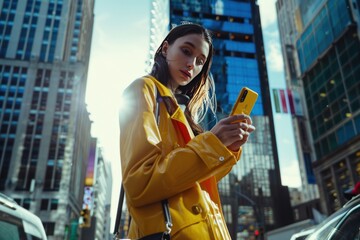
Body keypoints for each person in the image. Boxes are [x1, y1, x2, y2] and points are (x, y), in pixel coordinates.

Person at [119, 22, 255, 239]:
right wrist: (212, 143)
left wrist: (225, 148)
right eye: (186, 51)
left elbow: (192, 182)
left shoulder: (182, 110)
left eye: (200, 61)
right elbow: (140, 184)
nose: (192, 64)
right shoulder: (143, 89)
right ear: (165, 49)